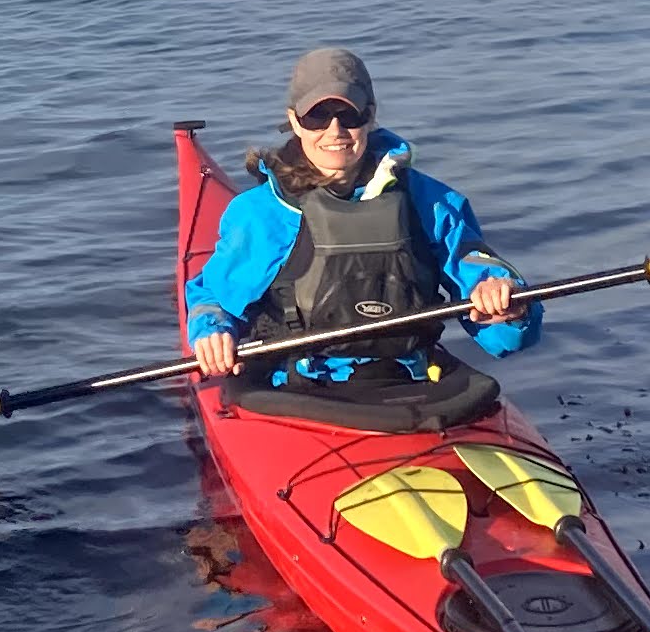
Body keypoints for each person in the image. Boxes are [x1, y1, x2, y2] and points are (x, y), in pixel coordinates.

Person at [185, 48, 540, 388]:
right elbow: (213, 298)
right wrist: (212, 331)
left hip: (411, 380)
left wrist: (508, 309)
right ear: (294, 121)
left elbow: (504, 336)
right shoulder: (261, 214)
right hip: (297, 387)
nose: (334, 130)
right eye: (317, 117)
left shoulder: (430, 202)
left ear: (370, 116)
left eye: (348, 115)